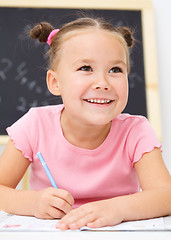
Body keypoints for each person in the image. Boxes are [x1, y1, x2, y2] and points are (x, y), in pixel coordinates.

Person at [0, 16, 171, 231]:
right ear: (55, 82)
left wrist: (117, 209)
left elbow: (166, 195)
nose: (102, 83)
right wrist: (32, 203)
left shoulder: (136, 130)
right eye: (86, 68)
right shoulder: (35, 125)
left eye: (115, 70)